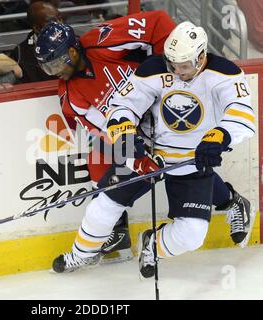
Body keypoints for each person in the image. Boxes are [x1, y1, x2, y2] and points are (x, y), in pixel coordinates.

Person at [106, 21, 255, 278]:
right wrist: (124, 133)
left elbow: (243, 114)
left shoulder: (225, 73)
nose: (177, 71)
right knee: (108, 197)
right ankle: (232, 202)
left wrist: (219, 136)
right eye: (172, 64)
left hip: (197, 156)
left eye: (184, 65)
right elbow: (122, 104)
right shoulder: (154, 69)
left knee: (192, 236)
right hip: (153, 152)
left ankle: (153, 243)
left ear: (201, 56)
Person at [35, 10, 176, 272]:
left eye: (56, 64)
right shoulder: (69, 96)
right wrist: (134, 149)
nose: (55, 73)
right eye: (48, 68)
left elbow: (158, 23)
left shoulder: (101, 39)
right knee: (98, 160)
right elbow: (97, 133)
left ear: (73, 52)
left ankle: (228, 200)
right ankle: (117, 230)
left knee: (189, 167)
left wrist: (165, 72)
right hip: (137, 132)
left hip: (169, 107)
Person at [17, 1, 63, 83]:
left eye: (60, 18)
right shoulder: (20, 54)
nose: (59, 24)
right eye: (52, 21)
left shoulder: (77, 42)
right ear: (37, 28)